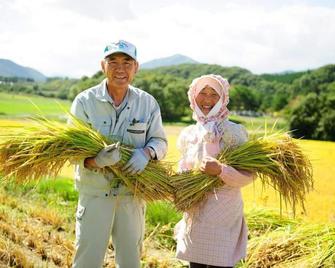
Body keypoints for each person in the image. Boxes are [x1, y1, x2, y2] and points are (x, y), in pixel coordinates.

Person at [70, 40, 167, 268]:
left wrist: (147, 152)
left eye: (127, 62)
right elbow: (70, 150)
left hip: (131, 195)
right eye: (113, 62)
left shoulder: (147, 103)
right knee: (87, 261)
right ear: (103, 66)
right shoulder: (85, 102)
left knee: (131, 261)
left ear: (136, 67)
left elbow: (160, 141)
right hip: (95, 194)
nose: (120, 68)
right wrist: (96, 161)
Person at [174, 74, 254, 268]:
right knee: (196, 264)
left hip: (224, 214)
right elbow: (184, 165)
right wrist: (180, 179)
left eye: (214, 94)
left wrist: (221, 170)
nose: (207, 99)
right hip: (196, 213)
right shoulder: (189, 134)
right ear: (193, 96)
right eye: (202, 93)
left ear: (223, 98)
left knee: (221, 264)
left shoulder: (234, 132)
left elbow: (248, 176)